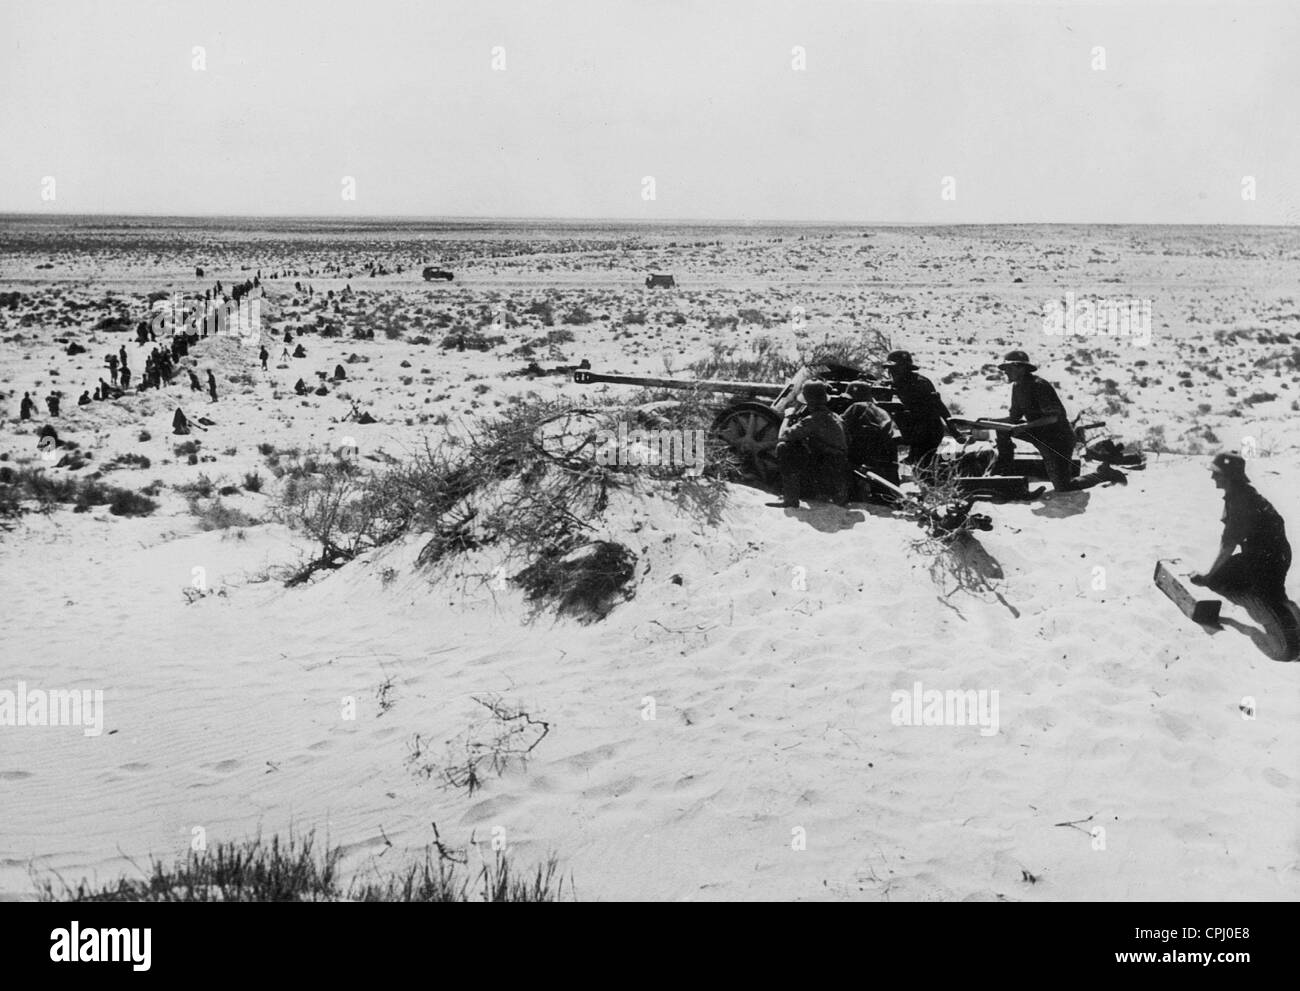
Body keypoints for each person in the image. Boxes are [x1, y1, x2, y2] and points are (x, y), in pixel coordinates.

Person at [983, 350, 1126, 491]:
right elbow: (1013, 418)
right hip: (1037, 432)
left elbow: (1053, 417)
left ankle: (1103, 474)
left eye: (1008, 368)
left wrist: (1026, 426)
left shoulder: (1039, 385)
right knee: (1002, 428)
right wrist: (988, 422)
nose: (1005, 372)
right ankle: (1003, 471)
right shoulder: (1017, 387)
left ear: (1020, 368)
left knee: (1063, 486)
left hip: (1058, 439)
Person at [1191, 453, 1293, 615]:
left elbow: (1228, 545)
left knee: (1217, 580)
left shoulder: (1240, 501)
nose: (1212, 477)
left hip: (1267, 563)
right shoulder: (1243, 493)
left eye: (1217, 473)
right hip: (1276, 557)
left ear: (1229, 477)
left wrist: (1208, 576)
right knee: (1227, 575)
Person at [882, 350, 964, 481]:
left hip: (928, 432)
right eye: (890, 369)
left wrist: (954, 431)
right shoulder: (895, 385)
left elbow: (939, 407)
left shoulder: (920, 383)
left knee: (925, 467)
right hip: (914, 431)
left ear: (906, 368)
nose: (892, 372)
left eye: (895, 369)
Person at [770, 381, 848, 508]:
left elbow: (782, 436)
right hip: (839, 470)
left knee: (784, 447)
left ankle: (790, 499)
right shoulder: (835, 417)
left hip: (825, 471)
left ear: (807, 401)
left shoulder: (813, 419)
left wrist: (788, 417)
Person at [840, 381, 900, 498]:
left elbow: (840, 426)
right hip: (888, 463)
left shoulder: (856, 407)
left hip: (869, 461)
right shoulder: (881, 411)